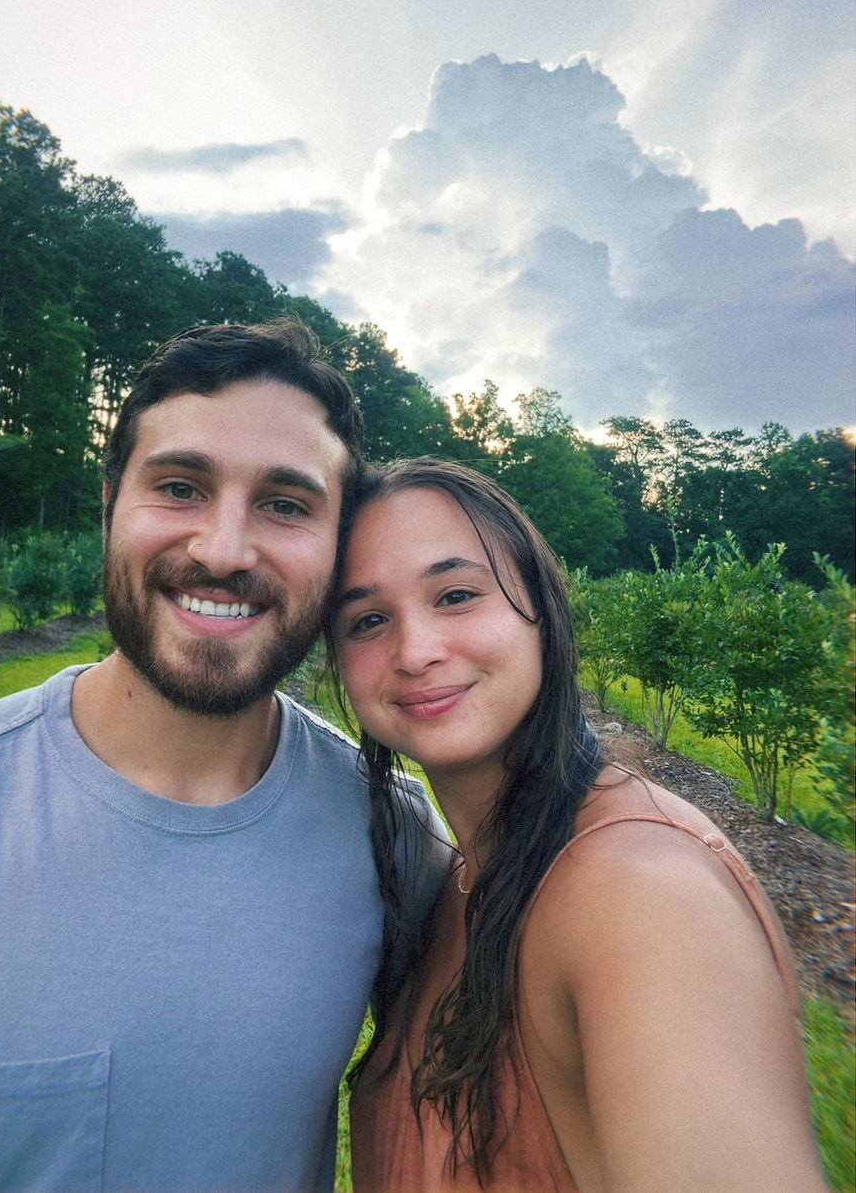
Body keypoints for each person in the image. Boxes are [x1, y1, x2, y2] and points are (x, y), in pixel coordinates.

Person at [0, 321, 449, 1193]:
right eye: (181, 487)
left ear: (340, 548)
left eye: (286, 504)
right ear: (110, 503)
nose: (223, 550)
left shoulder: (391, 834)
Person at [326, 457, 829, 1193]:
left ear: (542, 611)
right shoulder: (458, 879)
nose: (416, 651)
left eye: (456, 595)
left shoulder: (638, 895)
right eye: (368, 620)